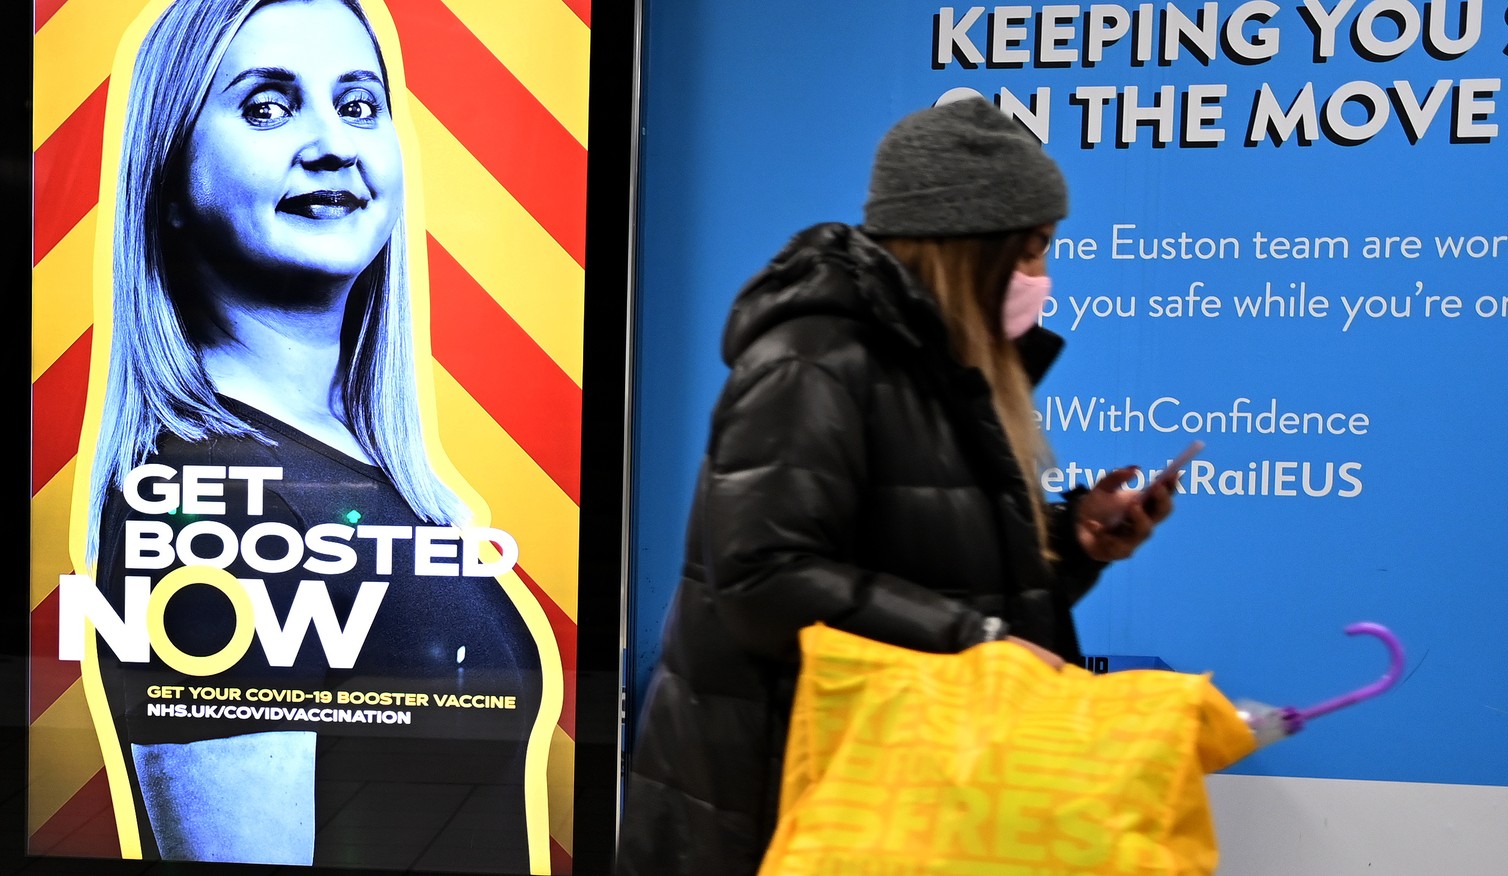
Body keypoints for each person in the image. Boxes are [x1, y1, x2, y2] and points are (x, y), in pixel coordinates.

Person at [614, 98, 1176, 876]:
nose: (1044, 278)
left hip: (894, 793)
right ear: (968, 248)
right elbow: (763, 578)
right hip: (785, 806)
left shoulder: (943, 373)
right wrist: (972, 642)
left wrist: (1076, 543)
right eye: (1034, 250)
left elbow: (948, 581)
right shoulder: (812, 359)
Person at [83, 0, 543, 870]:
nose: (333, 143)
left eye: (360, 104)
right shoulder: (208, 502)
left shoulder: (347, 457)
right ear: (168, 180)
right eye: (267, 106)